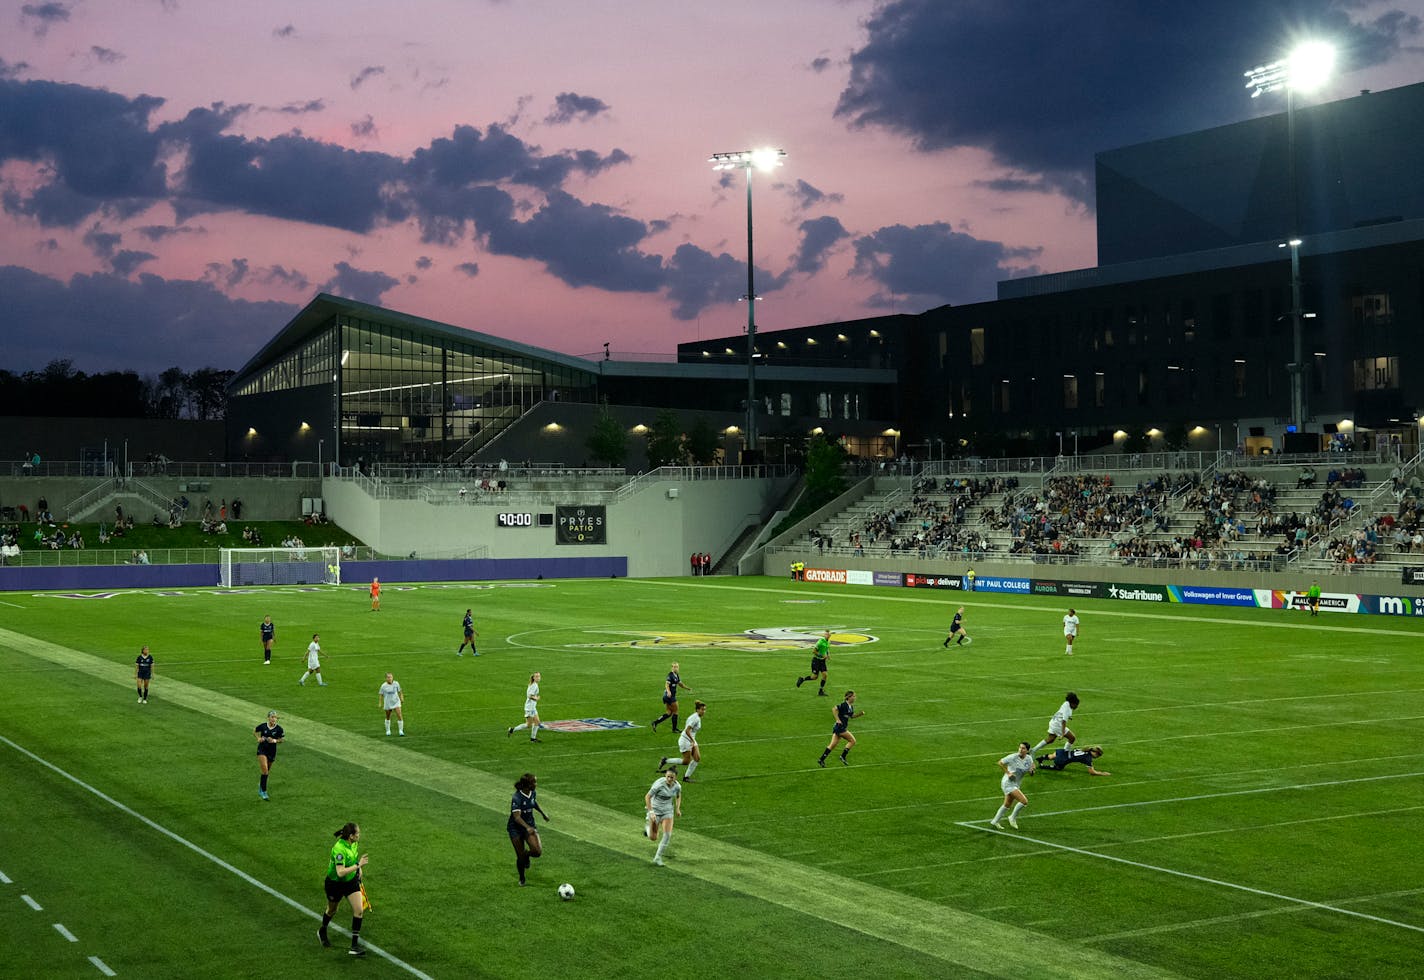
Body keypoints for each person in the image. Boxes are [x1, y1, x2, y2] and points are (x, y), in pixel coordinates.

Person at [318, 821, 370, 956]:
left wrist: (359, 872)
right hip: (335, 884)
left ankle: (354, 946)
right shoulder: (339, 849)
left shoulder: (354, 844)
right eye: (357, 833)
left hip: (350, 882)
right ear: (351, 836)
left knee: (359, 911)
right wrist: (358, 865)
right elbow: (340, 872)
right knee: (332, 910)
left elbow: (352, 860)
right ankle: (322, 930)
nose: (359, 835)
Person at [507, 772, 549, 885]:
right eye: (534, 782)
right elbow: (516, 817)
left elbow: (533, 802)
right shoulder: (517, 797)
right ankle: (522, 878)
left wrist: (543, 813)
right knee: (519, 856)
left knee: (537, 851)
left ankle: (526, 855)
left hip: (529, 825)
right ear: (528, 785)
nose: (536, 784)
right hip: (515, 828)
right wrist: (527, 827)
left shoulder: (532, 792)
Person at [990, 741, 1036, 829]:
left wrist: (1032, 771)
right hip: (1008, 783)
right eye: (1020, 747)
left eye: (1023, 748)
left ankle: (995, 821)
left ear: (1027, 750)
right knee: (1024, 801)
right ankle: (1012, 818)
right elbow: (1000, 762)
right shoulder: (1013, 757)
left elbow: (1032, 769)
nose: (1020, 750)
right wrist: (1008, 773)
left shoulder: (1029, 758)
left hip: (1016, 783)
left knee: (1007, 804)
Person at [659, 700, 706, 781]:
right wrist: (692, 741)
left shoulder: (696, 716)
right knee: (686, 761)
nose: (704, 711)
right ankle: (665, 760)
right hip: (686, 740)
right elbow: (687, 730)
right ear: (697, 710)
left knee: (697, 758)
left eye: (704, 709)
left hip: (691, 739)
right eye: (702, 709)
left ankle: (686, 777)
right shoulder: (695, 718)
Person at [644, 767, 682, 866]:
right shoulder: (659, 785)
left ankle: (657, 857)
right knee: (653, 837)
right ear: (665, 776)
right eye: (668, 777)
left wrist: (677, 808)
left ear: (675, 778)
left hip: (668, 811)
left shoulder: (677, 786)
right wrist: (651, 811)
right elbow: (647, 797)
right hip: (655, 810)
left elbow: (678, 796)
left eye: (672, 777)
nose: (669, 779)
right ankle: (648, 828)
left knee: (667, 835)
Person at [817, 690, 864, 767]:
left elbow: (851, 716)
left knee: (832, 745)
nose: (855, 698)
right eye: (854, 696)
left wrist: (860, 714)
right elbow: (834, 709)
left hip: (838, 728)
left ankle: (821, 759)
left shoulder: (850, 707)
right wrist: (837, 719)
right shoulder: (844, 705)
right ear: (849, 697)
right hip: (840, 728)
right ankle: (843, 756)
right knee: (852, 741)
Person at [651, 661, 692, 733]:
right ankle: (674, 729)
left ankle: (655, 722)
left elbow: (680, 684)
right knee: (676, 711)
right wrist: (669, 691)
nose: (676, 668)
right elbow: (666, 684)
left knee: (669, 712)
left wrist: (687, 688)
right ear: (672, 668)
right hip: (669, 696)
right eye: (674, 667)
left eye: (677, 667)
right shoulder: (670, 675)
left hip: (667, 696)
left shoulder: (676, 675)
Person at [255, 710, 284, 800]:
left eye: (275, 717)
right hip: (262, 750)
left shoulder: (279, 729)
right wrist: (258, 738)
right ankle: (264, 792)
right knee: (265, 771)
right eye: (272, 717)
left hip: (272, 751)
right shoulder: (263, 726)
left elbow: (281, 739)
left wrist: (274, 741)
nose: (274, 719)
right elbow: (255, 731)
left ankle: (261, 784)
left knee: (267, 771)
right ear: (268, 718)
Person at [507, 672, 542, 742]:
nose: (538, 678)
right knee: (528, 725)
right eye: (536, 676)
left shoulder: (534, 684)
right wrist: (536, 698)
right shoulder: (534, 685)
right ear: (533, 678)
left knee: (537, 722)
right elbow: (529, 696)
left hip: (532, 707)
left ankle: (533, 738)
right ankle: (512, 729)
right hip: (530, 708)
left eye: (539, 676)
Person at [1036, 744, 1111, 776]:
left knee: (1052, 756)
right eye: (1097, 755)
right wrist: (1102, 773)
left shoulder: (1085, 749)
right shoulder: (1088, 758)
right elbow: (1092, 772)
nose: (1097, 757)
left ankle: (1041, 758)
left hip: (1064, 752)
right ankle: (1042, 766)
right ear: (1094, 752)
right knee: (1059, 768)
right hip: (1063, 759)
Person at [796, 630, 832, 696]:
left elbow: (826, 649)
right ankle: (802, 679)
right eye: (826, 634)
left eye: (828, 634)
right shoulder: (820, 642)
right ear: (824, 635)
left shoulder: (828, 642)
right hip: (816, 661)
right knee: (814, 677)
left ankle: (820, 691)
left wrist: (828, 654)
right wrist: (822, 655)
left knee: (825, 675)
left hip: (822, 661)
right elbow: (814, 651)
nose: (827, 635)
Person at [378, 672, 405, 736]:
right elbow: (381, 694)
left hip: (396, 702)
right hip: (388, 703)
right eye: (388, 677)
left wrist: (401, 698)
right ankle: (388, 730)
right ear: (386, 678)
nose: (390, 678)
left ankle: (401, 731)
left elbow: (400, 691)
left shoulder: (396, 683)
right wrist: (380, 703)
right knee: (388, 716)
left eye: (391, 677)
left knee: (399, 715)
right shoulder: (383, 686)